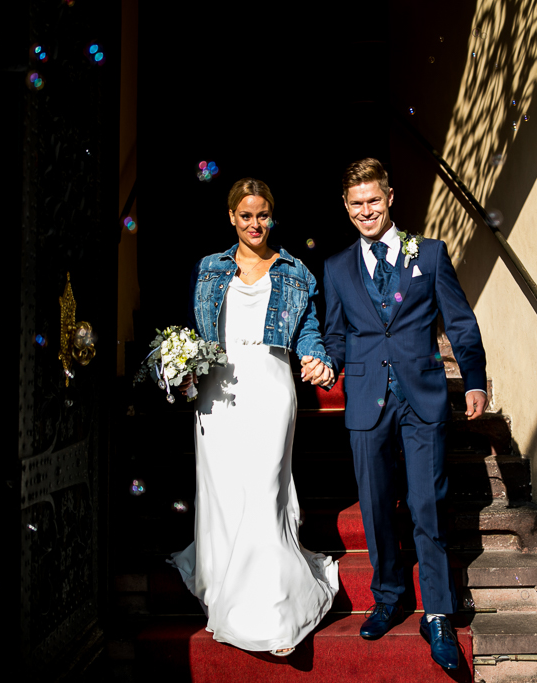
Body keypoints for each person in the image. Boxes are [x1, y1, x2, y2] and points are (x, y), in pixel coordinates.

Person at [321, 158, 488, 670]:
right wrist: (327, 365)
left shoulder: (430, 255)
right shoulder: (336, 268)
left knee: (427, 502)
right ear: (346, 209)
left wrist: (476, 379)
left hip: (422, 397)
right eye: (356, 204)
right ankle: (389, 595)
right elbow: (335, 334)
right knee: (373, 504)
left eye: (374, 200)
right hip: (367, 399)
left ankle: (436, 613)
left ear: (390, 197)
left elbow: (460, 321)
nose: (366, 210)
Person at [168, 178, 337, 657]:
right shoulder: (208, 268)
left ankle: (271, 613)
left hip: (270, 385)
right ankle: (224, 586)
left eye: (262, 215)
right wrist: (181, 368)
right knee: (222, 491)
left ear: (272, 216)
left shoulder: (295, 271)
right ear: (231, 218)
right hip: (217, 390)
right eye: (245, 215)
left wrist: (317, 361)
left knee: (265, 492)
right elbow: (199, 331)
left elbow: (308, 332)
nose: (254, 224)